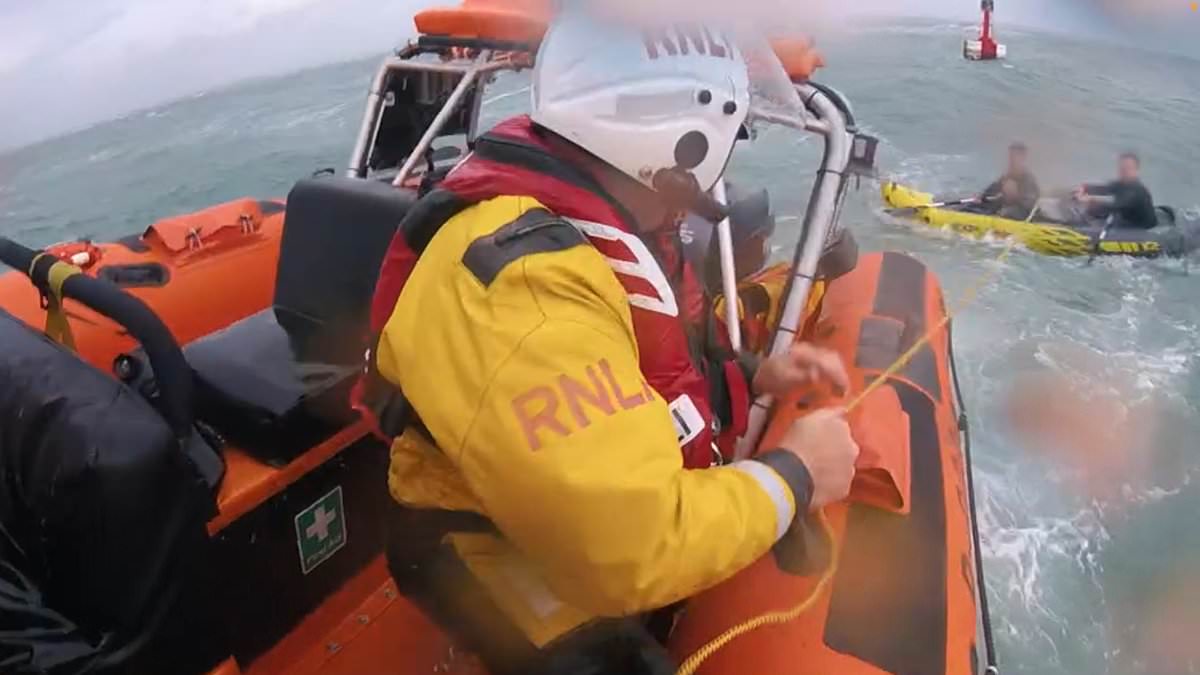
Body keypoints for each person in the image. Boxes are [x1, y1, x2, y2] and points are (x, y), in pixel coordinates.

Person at [357, 10, 860, 675]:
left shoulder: (601, 219)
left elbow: (646, 366)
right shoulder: (531, 288)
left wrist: (755, 374)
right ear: (689, 138)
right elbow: (632, 545)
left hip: (554, 498)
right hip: (475, 534)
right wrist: (796, 475)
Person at [1074, 152, 1157, 230]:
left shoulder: (1137, 191)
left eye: (1128, 168)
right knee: (1093, 212)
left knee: (1096, 212)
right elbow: (1105, 189)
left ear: (1136, 170)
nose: (1124, 171)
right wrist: (1084, 187)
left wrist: (1090, 201)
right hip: (1126, 217)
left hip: (1140, 228)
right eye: (1122, 168)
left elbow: (1117, 205)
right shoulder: (1122, 183)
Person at [979, 142, 1040, 219]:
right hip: (998, 214)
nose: (1011, 159)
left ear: (1023, 158)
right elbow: (987, 195)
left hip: (1019, 219)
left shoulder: (1028, 181)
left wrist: (1016, 196)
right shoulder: (1005, 178)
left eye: (1015, 156)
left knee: (1006, 213)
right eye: (1010, 156)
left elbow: (1029, 206)